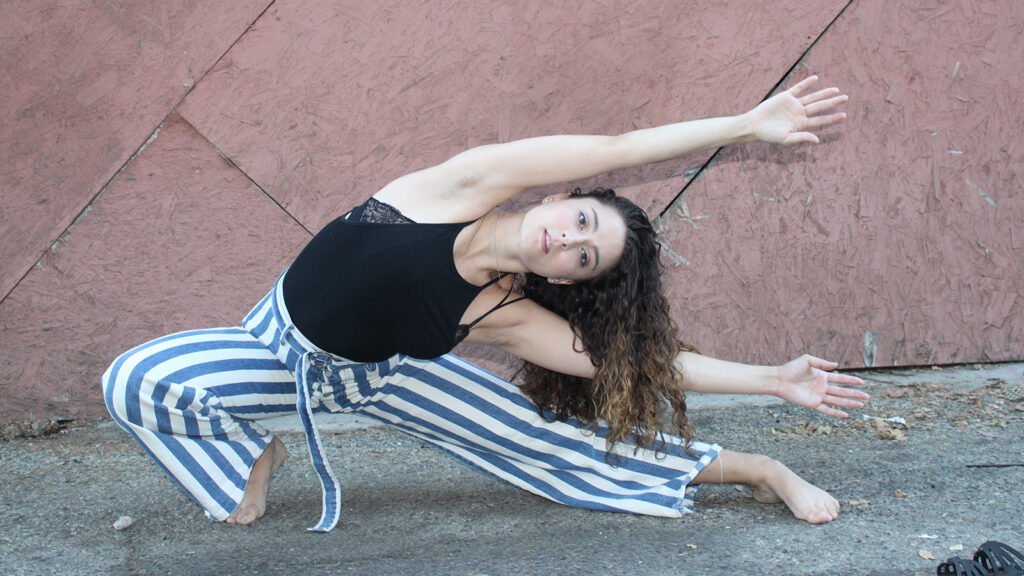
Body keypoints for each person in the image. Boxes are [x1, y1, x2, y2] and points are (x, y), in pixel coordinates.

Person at [102, 75, 866, 532]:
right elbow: (621, 146)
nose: (565, 241)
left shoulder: (500, 311)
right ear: (565, 199)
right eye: (579, 221)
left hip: (384, 377)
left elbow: (641, 362)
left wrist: (772, 379)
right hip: (274, 350)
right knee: (134, 380)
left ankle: (758, 470)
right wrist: (744, 124)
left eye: (582, 256)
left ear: (569, 280)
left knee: (554, 447)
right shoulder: (460, 188)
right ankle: (255, 454)